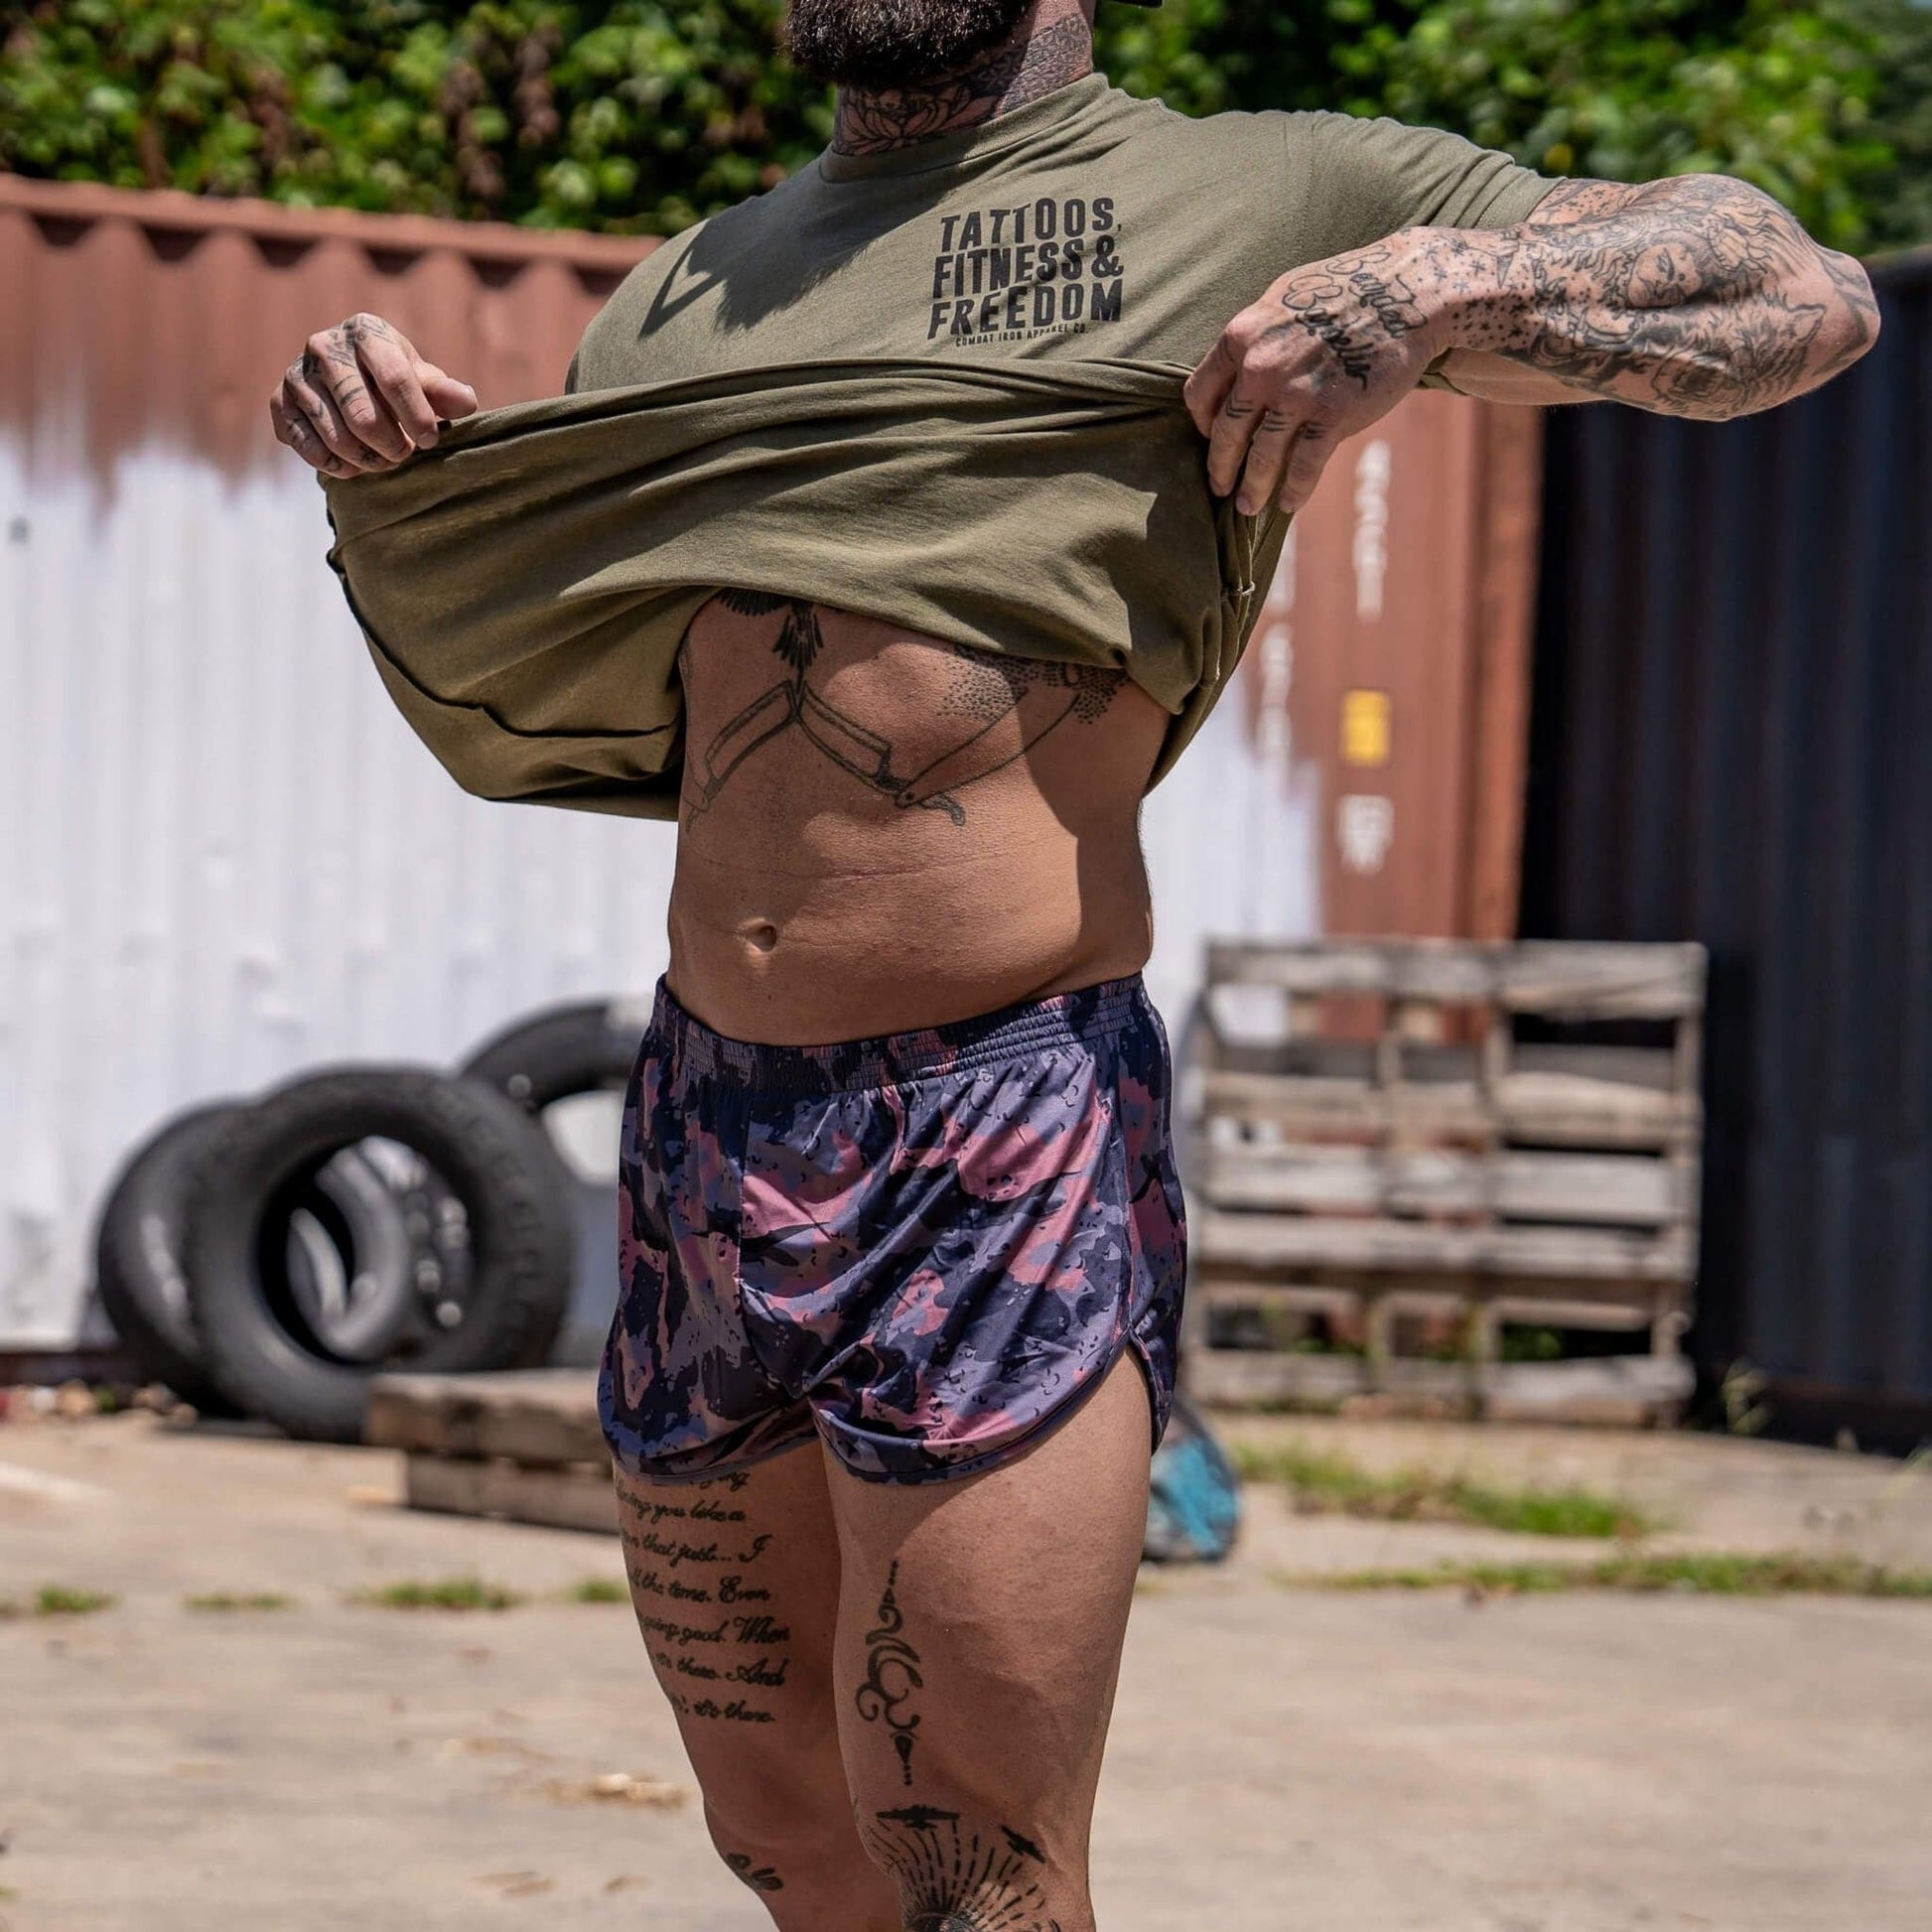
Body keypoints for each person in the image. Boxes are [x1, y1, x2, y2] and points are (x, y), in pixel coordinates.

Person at [270, 3, 1877, 1925]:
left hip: (997, 1122)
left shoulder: (1266, 187)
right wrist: (386, 442)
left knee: (977, 1863)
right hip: (708, 1123)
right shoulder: (688, 289)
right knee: (784, 1839)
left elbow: (1803, 291)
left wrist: (1433, 282)